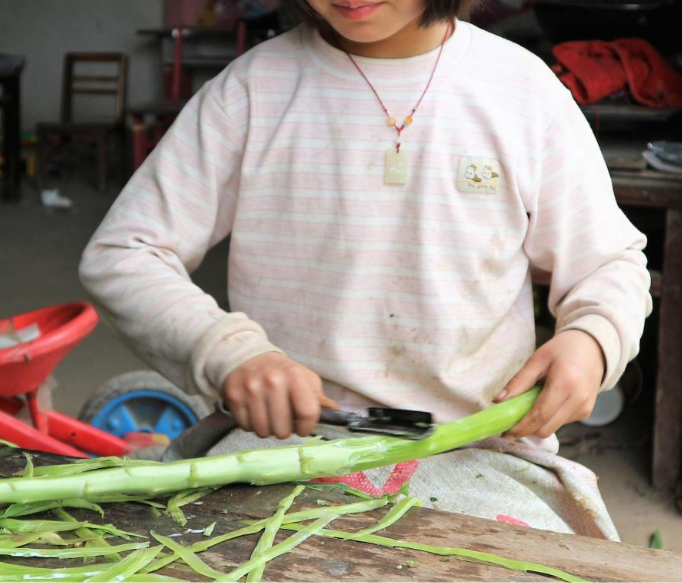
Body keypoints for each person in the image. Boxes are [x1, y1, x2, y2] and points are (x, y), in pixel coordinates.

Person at [80, 0, 651, 538]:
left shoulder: (522, 91)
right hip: (287, 440)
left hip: (477, 445)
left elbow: (609, 263)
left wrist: (593, 338)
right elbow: (124, 254)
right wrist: (228, 350)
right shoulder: (251, 92)